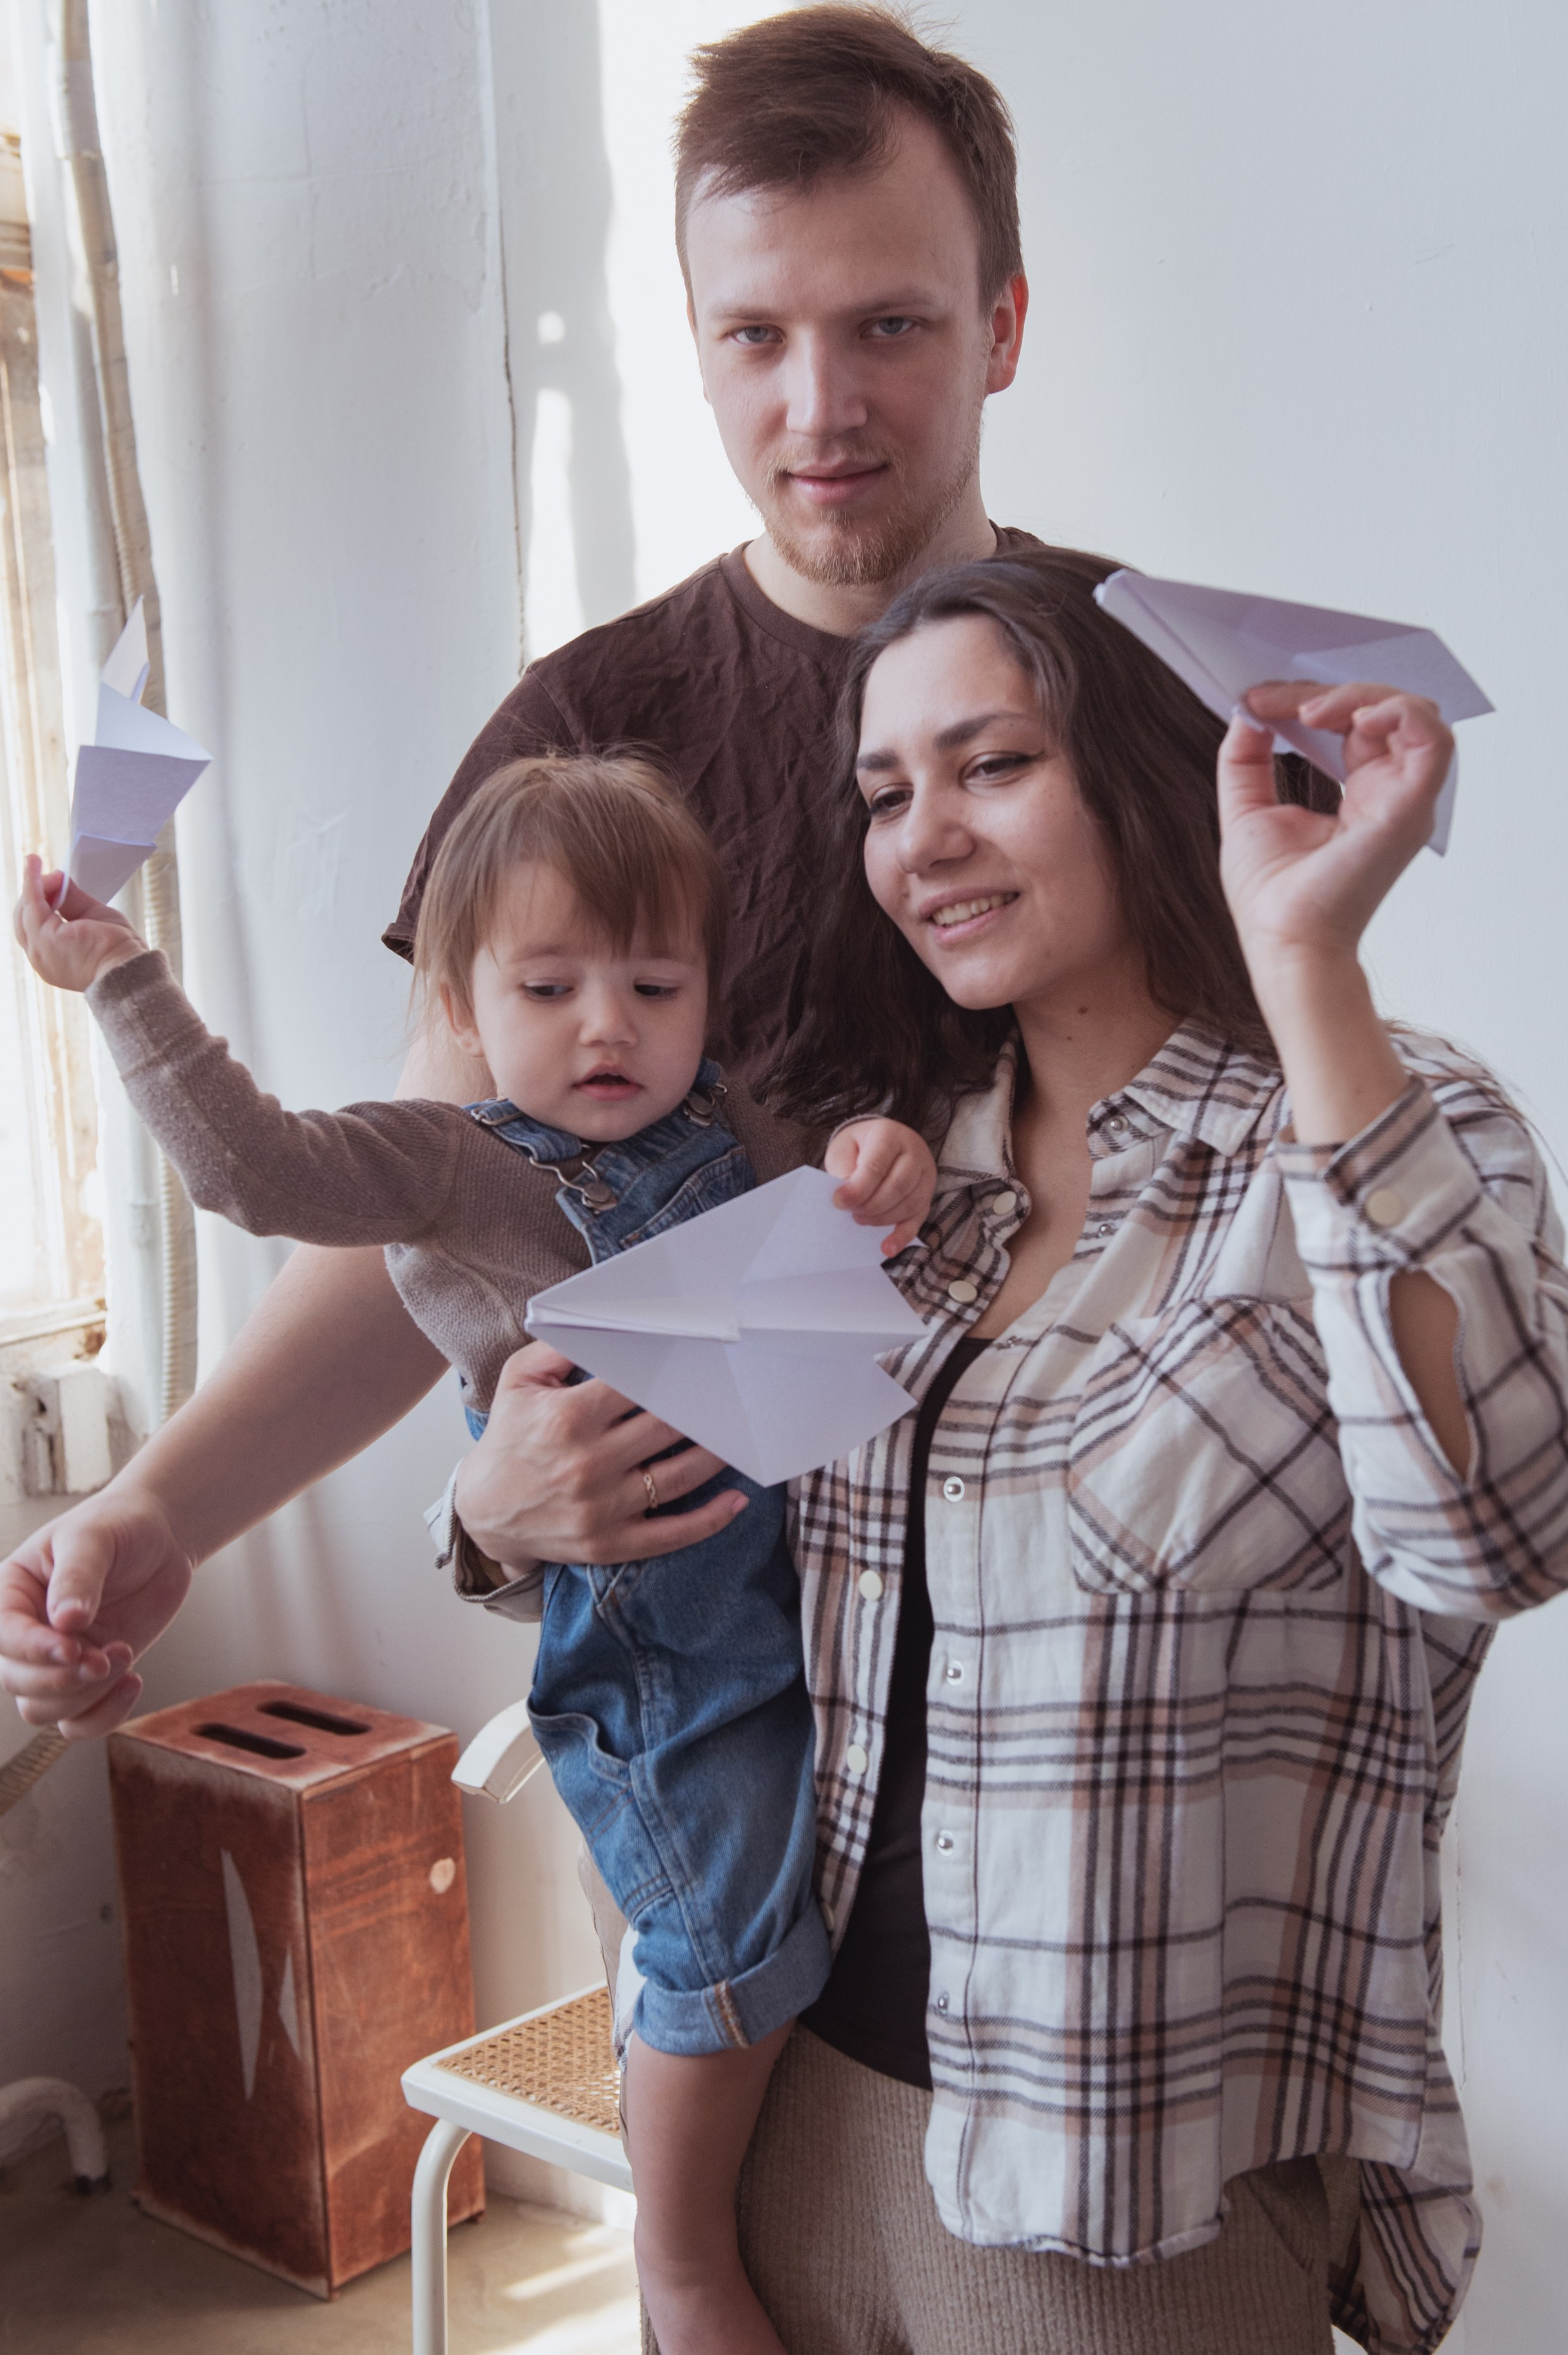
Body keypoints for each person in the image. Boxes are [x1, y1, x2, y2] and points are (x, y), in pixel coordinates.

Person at [528, 548, 1568, 2354]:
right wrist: (485, 1502)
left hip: (1122, 2205)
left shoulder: (1386, 1125)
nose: (923, 835)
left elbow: (1500, 1529)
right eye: (885, 792)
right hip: (779, 2123)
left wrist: (1303, 952)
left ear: (1147, 771)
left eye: (991, 764)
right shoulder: (892, 1172)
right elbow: (660, 1523)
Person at [0, 5, 1041, 1736]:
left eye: (890, 326)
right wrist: (158, 1504)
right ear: (695, 346)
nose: (821, 404)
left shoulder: (1155, 696)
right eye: (756, 335)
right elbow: (440, 1195)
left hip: (1085, 1688)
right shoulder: (589, 734)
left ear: (1002, 326)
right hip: (731, 1712)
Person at [14, 752, 935, 2355]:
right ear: (459, 999)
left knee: (795, 1928)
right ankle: (685, 2254)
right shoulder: (454, 1163)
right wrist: (123, 983)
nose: (608, 1026)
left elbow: (841, 1228)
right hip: (656, 1667)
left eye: (656, 983)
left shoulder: (724, 1121)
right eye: (550, 983)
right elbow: (248, 1168)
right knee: (721, 1949)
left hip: (804, 1621)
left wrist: (877, 1170)